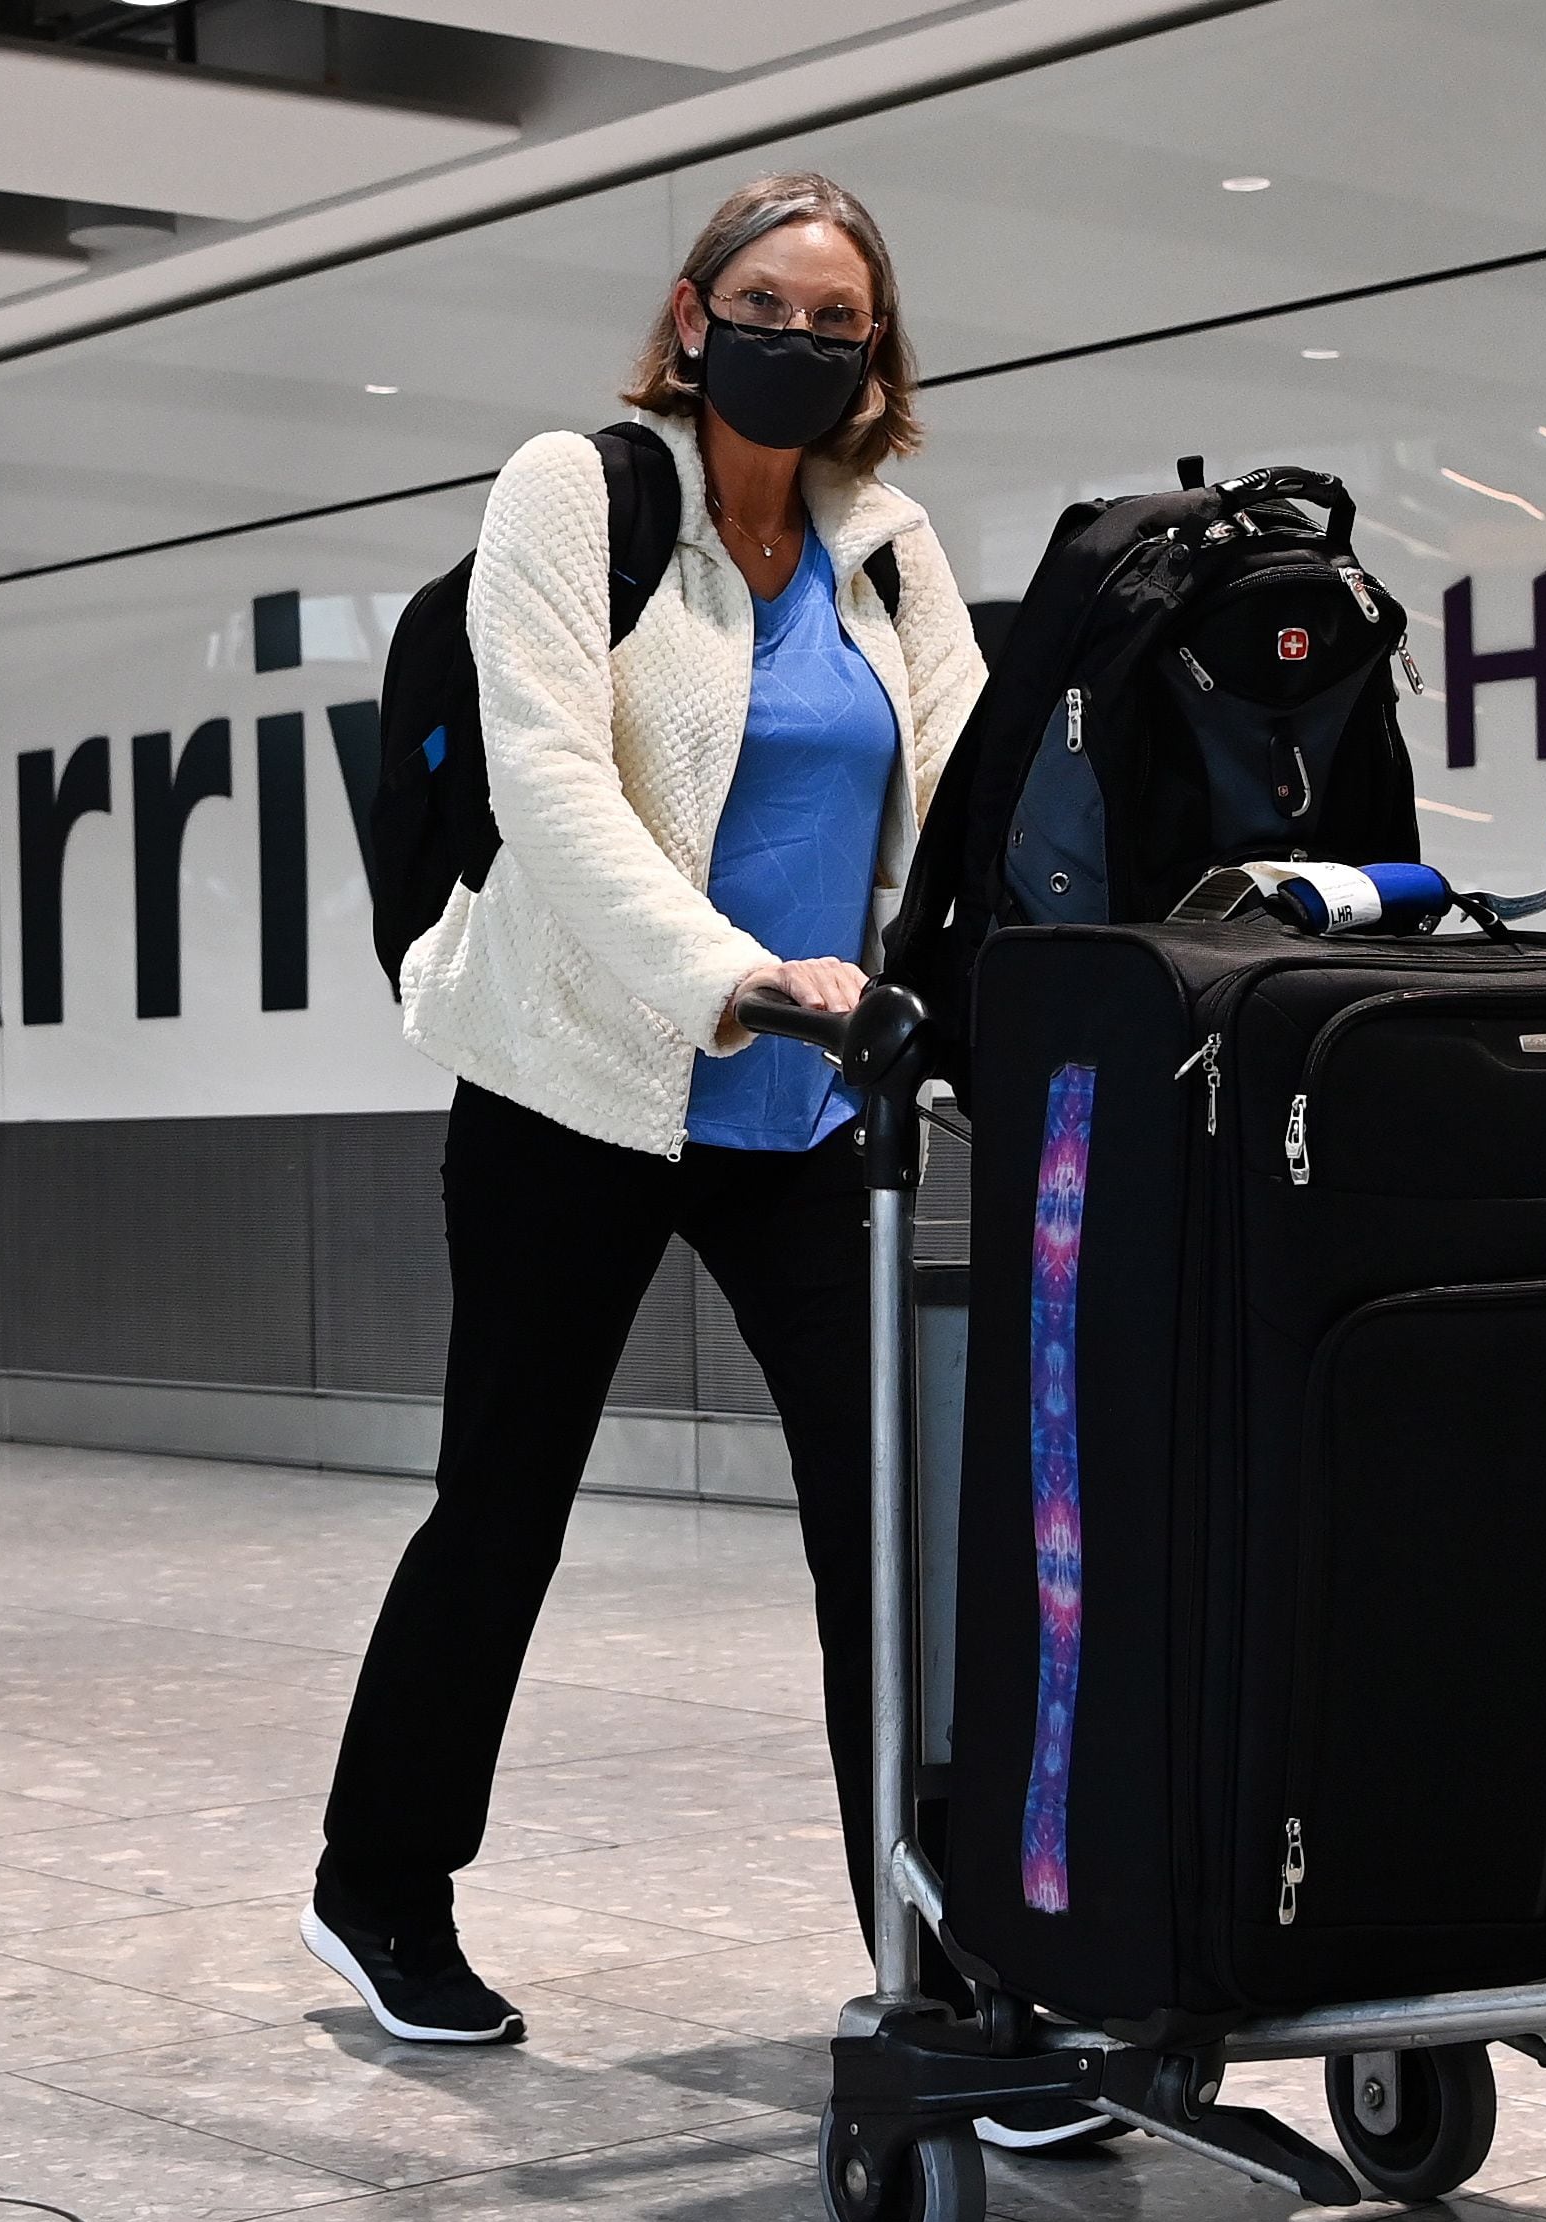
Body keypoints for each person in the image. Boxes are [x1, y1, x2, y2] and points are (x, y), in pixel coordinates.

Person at [307, 172, 985, 2046]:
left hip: (809, 1113)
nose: (801, 339)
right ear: (690, 323)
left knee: (889, 1535)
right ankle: (378, 1888)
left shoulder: (892, 551)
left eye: (837, 319)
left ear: (873, 355)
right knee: (503, 1507)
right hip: (576, 1081)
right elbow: (546, 786)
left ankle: (940, 1964)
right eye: (765, 304)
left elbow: (961, 798)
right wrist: (728, 978)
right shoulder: (572, 492)